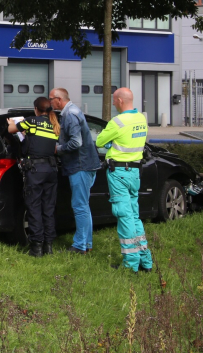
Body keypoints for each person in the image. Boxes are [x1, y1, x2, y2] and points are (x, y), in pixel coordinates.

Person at [95, 87, 153, 273]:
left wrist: (111, 143)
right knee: (134, 216)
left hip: (119, 173)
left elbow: (99, 141)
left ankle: (130, 263)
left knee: (124, 215)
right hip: (135, 172)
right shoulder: (141, 119)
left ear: (120, 100)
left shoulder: (117, 122)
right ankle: (146, 260)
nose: (112, 103)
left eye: (113, 100)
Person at [49, 88, 102, 255]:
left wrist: (57, 149)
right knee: (84, 205)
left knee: (79, 206)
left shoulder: (70, 114)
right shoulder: (73, 111)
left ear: (58, 99)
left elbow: (76, 142)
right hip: (86, 164)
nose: (50, 102)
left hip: (80, 166)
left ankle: (79, 246)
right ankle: (87, 243)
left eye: (51, 99)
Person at [7, 97, 60, 257]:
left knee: (34, 207)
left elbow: (10, 129)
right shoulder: (54, 124)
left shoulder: (31, 121)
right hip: (51, 169)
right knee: (48, 208)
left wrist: (11, 121)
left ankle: (36, 246)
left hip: (35, 170)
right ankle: (48, 246)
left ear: (36, 108)